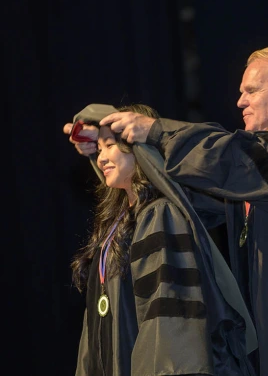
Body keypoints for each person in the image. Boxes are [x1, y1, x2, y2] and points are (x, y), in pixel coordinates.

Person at [64, 46, 268, 375]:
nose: (240, 101)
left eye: (252, 90)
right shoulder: (248, 179)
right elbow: (175, 195)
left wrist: (155, 130)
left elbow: (238, 161)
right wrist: (111, 150)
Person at [69, 103, 257, 376]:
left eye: (110, 146)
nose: (101, 159)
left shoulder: (160, 215)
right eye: (99, 150)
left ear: (139, 149)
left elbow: (168, 319)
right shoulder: (118, 226)